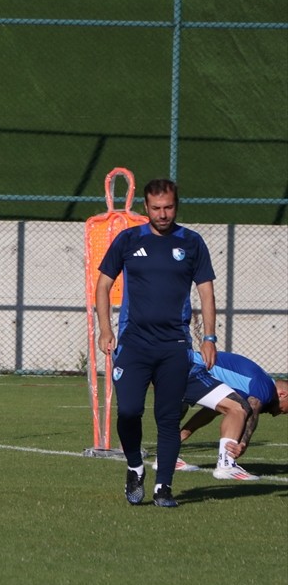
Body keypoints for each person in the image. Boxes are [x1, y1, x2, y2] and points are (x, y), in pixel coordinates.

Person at [95, 178, 218, 509]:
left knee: (167, 417)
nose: (163, 214)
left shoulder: (192, 242)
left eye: (169, 208)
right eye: (156, 208)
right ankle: (135, 467)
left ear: (177, 205)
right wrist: (105, 329)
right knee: (130, 410)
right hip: (133, 344)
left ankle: (164, 485)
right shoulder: (128, 239)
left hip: (174, 344)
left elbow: (206, 291)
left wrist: (208, 337)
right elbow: (103, 286)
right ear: (145, 208)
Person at [180, 350, 287, 479]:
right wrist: (243, 443)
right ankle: (226, 465)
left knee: (223, 409)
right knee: (239, 408)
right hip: (190, 367)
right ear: (283, 394)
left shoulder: (248, 386)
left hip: (179, 364)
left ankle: (167, 456)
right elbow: (253, 408)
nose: (279, 414)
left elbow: (209, 412)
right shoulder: (266, 387)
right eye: (285, 410)